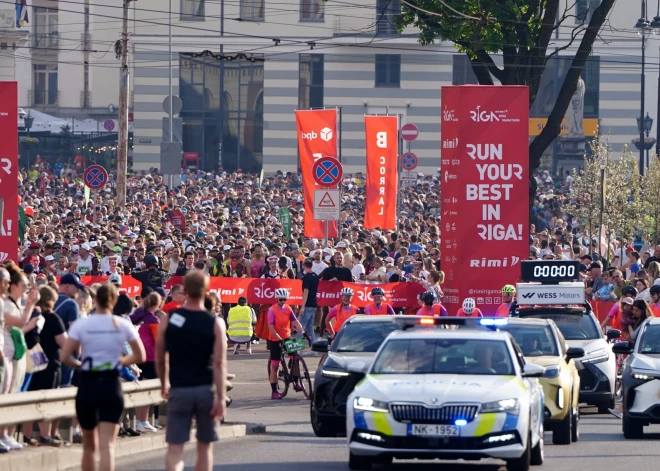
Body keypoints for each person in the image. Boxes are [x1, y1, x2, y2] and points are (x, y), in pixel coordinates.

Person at [60, 283, 146, 471]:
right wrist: (116, 362)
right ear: (114, 301)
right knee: (108, 446)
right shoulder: (122, 324)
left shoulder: (83, 323)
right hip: (111, 385)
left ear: (95, 300)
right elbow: (140, 356)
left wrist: (82, 365)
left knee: (89, 446)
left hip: (88, 384)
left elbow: (65, 357)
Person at [155, 270, 228, 471]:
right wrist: (221, 397)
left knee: (175, 448)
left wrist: (164, 383)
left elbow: (161, 356)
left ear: (185, 290)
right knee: (204, 448)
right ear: (207, 291)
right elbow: (220, 363)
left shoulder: (168, 319)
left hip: (179, 389)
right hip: (206, 390)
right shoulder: (215, 323)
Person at [24, 285, 67, 447]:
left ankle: (27, 436)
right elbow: (63, 342)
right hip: (49, 365)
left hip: (30, 363)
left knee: (29, 399)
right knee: (47, 401)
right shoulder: (53, 318)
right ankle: (45, 435)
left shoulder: (31, 315)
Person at [266, 288, 308, 400]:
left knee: (295, 357)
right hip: (275, 338)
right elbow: (270, 327)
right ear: (277, 298)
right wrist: (278, 338)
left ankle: (296, 381)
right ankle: (274, 391)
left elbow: (294, 321)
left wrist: (303, 331)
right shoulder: (272, 310)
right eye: (281, 299)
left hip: (286, 336)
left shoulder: (288, 308)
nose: (283, 301)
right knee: (275, 366)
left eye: (285, 299)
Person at [129, 292, 162, 433]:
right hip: (150, 358)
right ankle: (142, 420)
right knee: (147, 390)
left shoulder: (134, 317)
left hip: (136, 356)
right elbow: (158, 341)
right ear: (157, 304)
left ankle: (138, 419)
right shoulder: (153, 320)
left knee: (139, 388)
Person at [299, 260, 319, 344]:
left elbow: (306, 292)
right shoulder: (315, 276)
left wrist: (303, 306)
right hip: (314, 304)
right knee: (309, 327)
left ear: (304, 266)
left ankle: (297, 348)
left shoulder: (307, 277)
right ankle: (314, 347)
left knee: (300, 326)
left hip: (308, 305)